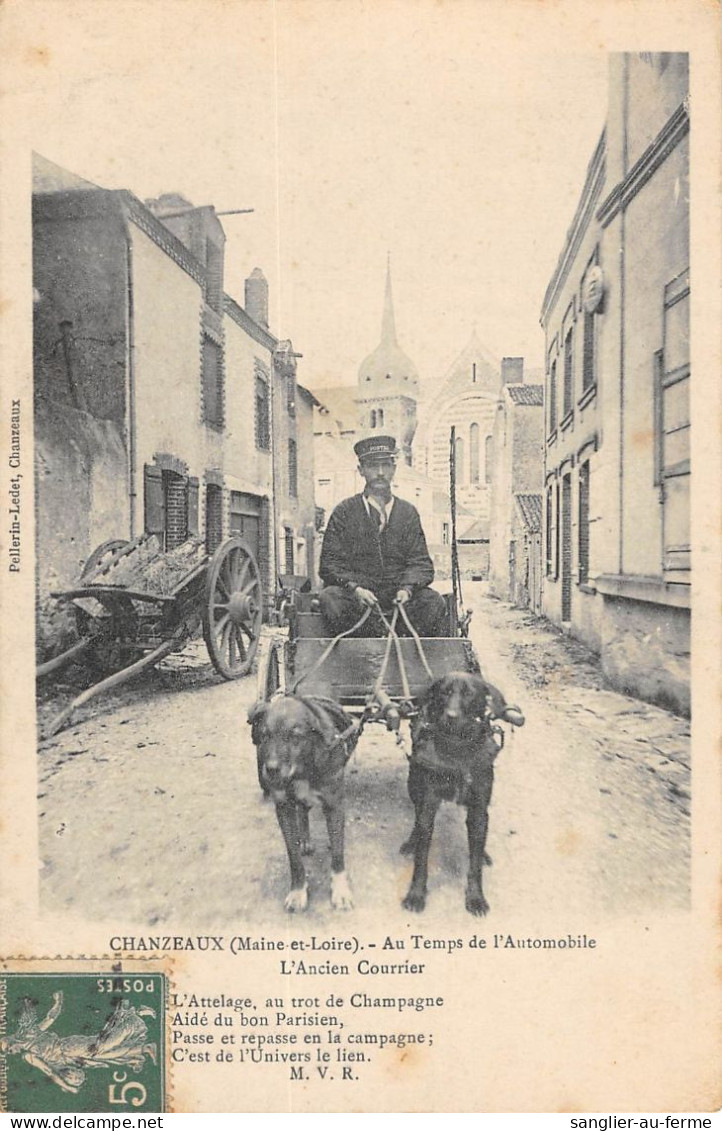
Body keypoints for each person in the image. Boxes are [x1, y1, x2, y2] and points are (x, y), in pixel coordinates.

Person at [319, 435, 446, 636]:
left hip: (399, 602)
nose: (380, 473)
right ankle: (367, 641)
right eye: (372, 466)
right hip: (358, 602)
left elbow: (421, 563)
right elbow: (330, 565)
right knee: (330, 598)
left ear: (394, 469)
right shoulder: (344, 512)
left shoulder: (408, 513)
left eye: (385, 466)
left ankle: (405, 644)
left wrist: (407, 589)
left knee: (433, 602)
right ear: (361, 470)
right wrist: (355, 589)